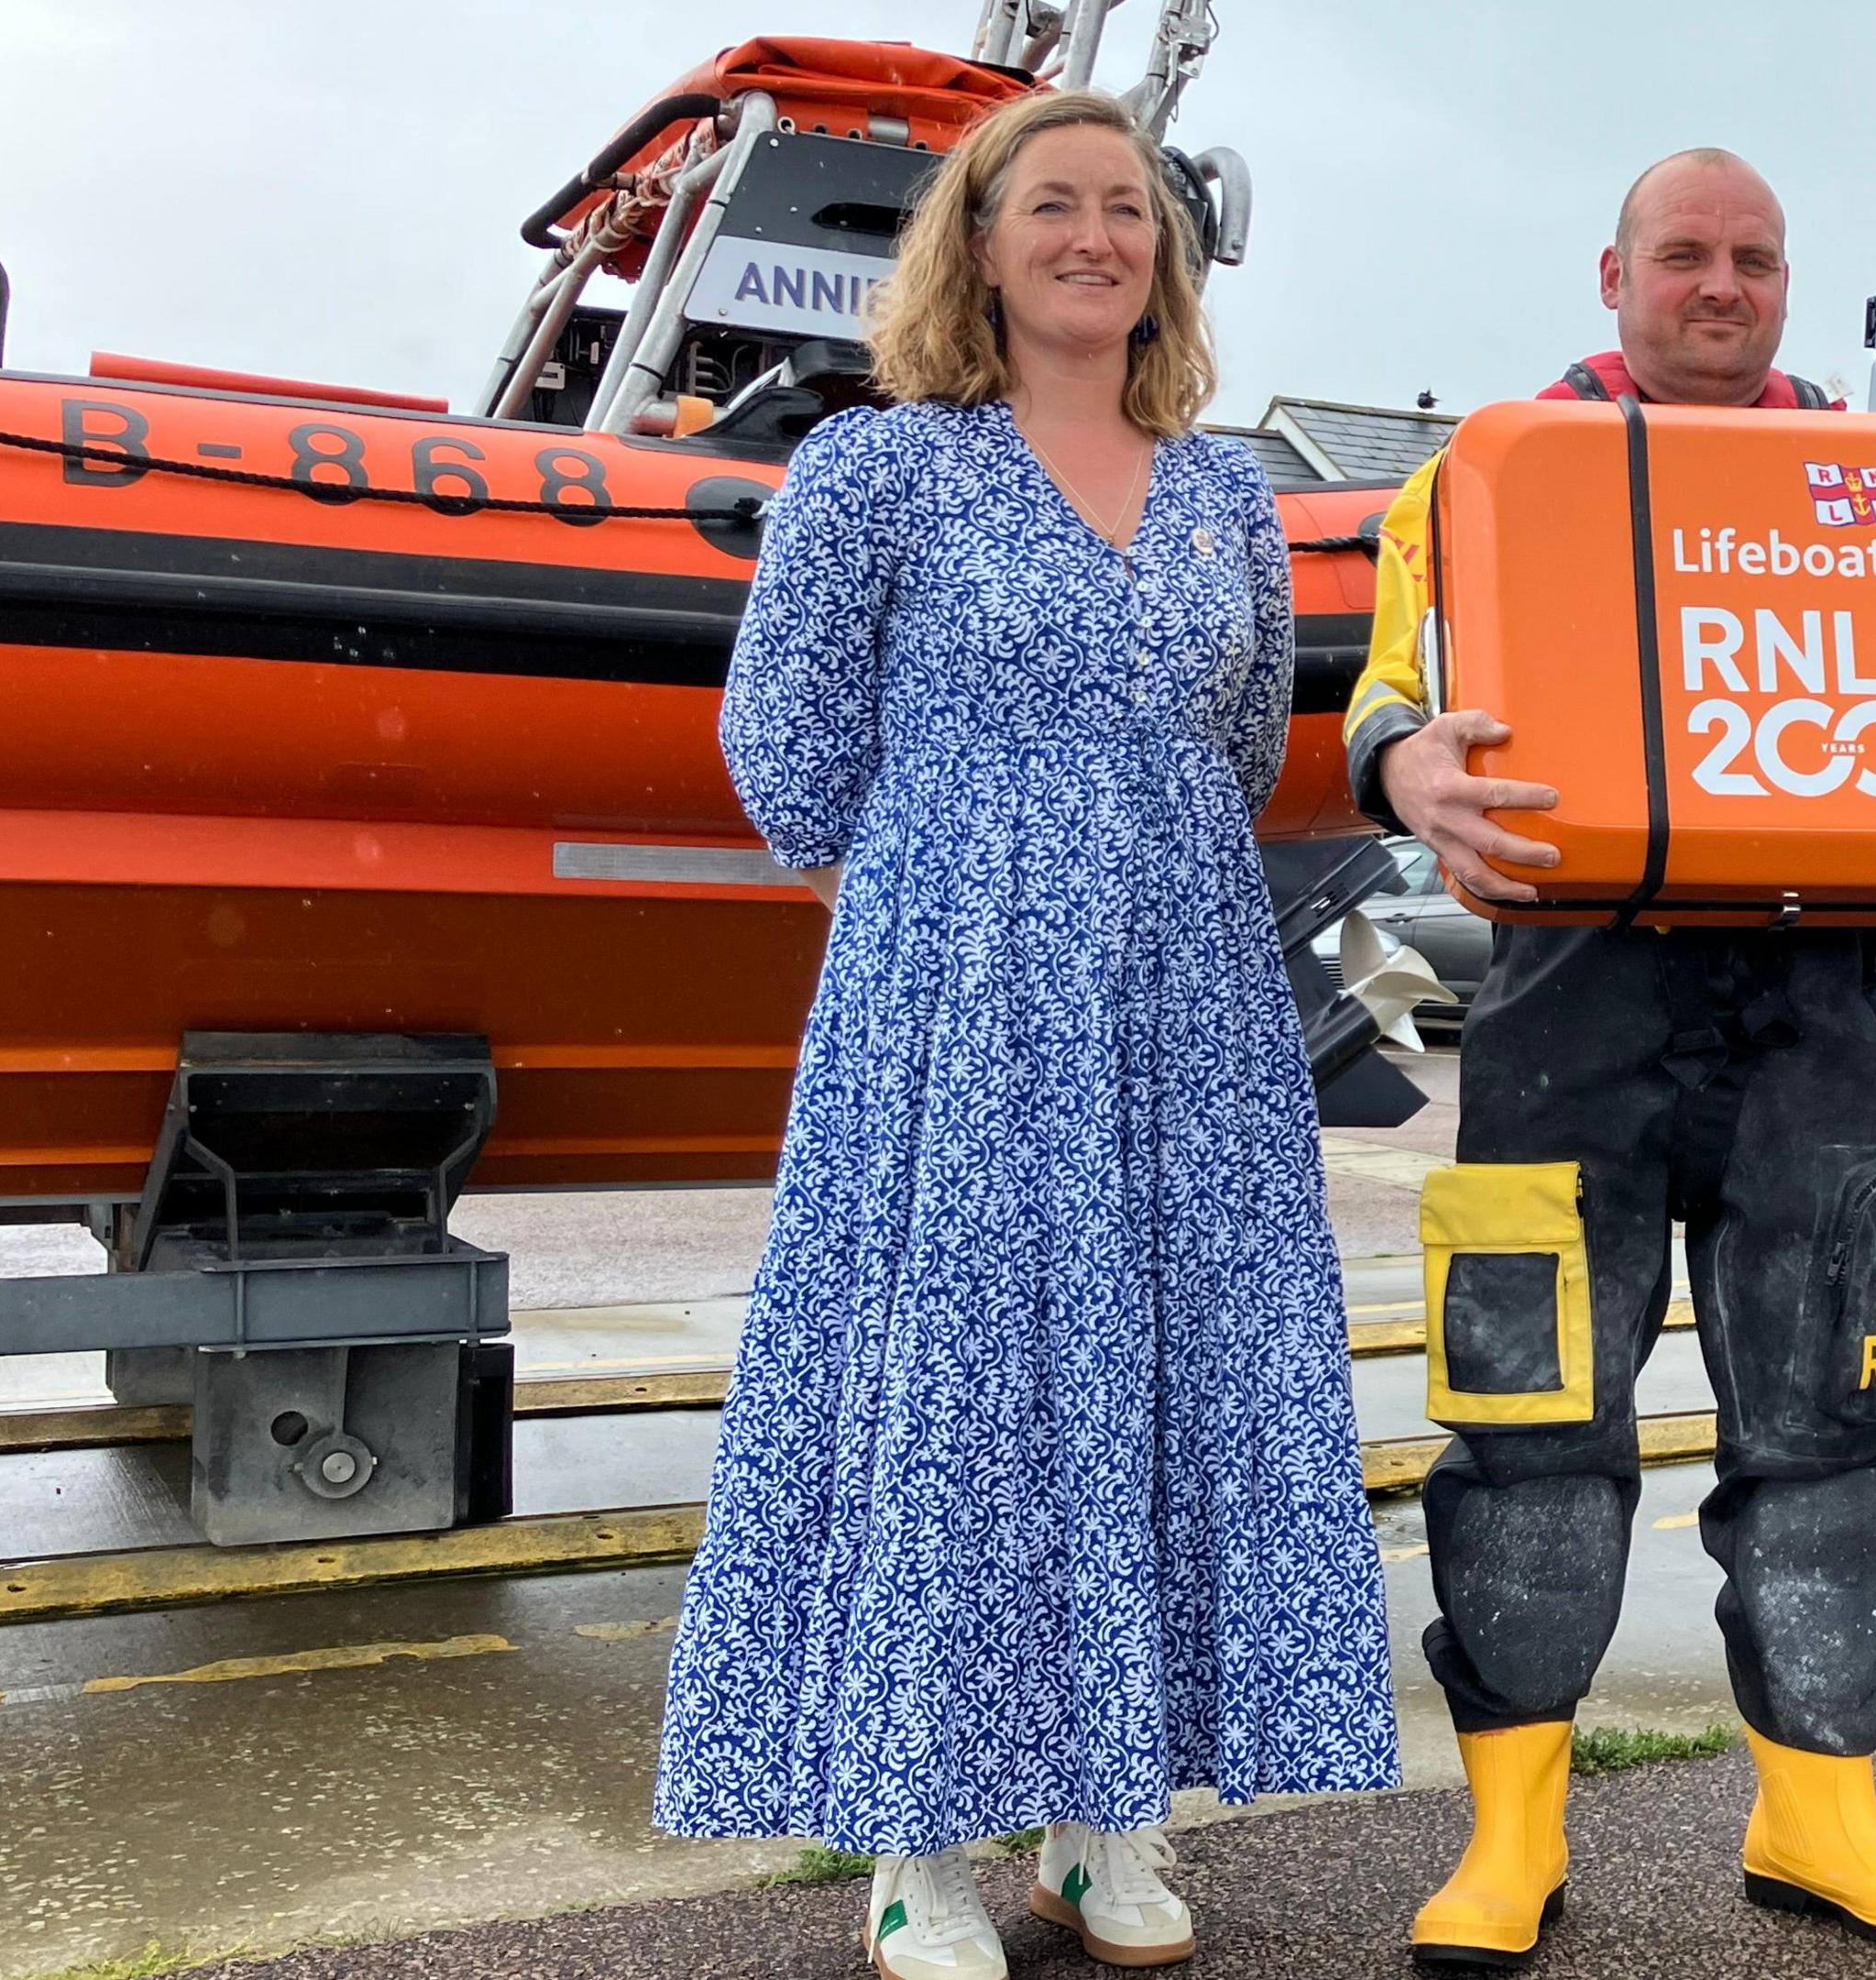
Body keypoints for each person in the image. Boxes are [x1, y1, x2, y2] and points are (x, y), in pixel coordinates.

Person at [1343, 147, 1876, 1967]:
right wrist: (1402, 765)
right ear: (1615, 273)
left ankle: (1820, 1812)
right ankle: (1513, 1837)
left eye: (1754, 258)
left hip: (1821, 1016)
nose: (1721, 287)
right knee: (1523, 1440)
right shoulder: (1486, 475)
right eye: (1685, 256)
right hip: (1563, 1019)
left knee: (1831, 1436)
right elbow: (1395, 691)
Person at [653, 88, 1397, 1980]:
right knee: (954, 1397)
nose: (1095, 236)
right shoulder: (879, 473)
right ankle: (915, 1845)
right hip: (958, 1001)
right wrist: (947, 919)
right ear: (976, 245)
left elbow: (1236, 759)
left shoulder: (1227, 490)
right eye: (1051, 205)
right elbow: (788, 756)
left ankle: (1100, 1823)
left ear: (1166, 252)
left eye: (1128, 209)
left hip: (1188, 1007)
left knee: (1158, 1379)